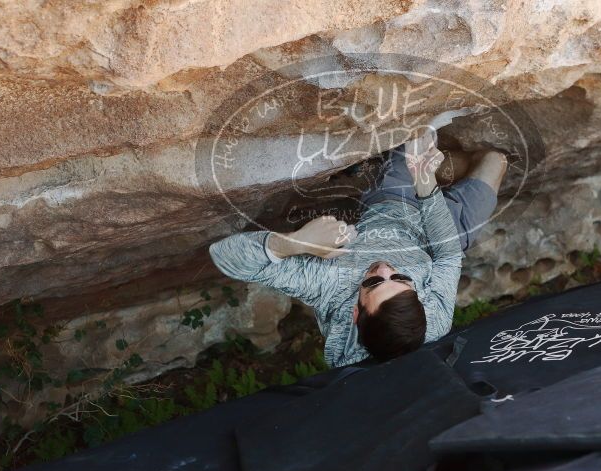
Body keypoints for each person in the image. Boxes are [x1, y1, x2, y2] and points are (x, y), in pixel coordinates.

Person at [209, 129, 508, 367]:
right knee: (495, 160)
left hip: (392, 203)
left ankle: (377, 168)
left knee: (417, 131)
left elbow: (224, 256)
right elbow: (448, 255)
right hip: (446, 232)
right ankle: (434, 165)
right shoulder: (433, 322)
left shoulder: (331, 287)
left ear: (354, 313)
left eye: (374, 282)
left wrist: (296, 242)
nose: (386, 269)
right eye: (403, 280)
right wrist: (425, 182)